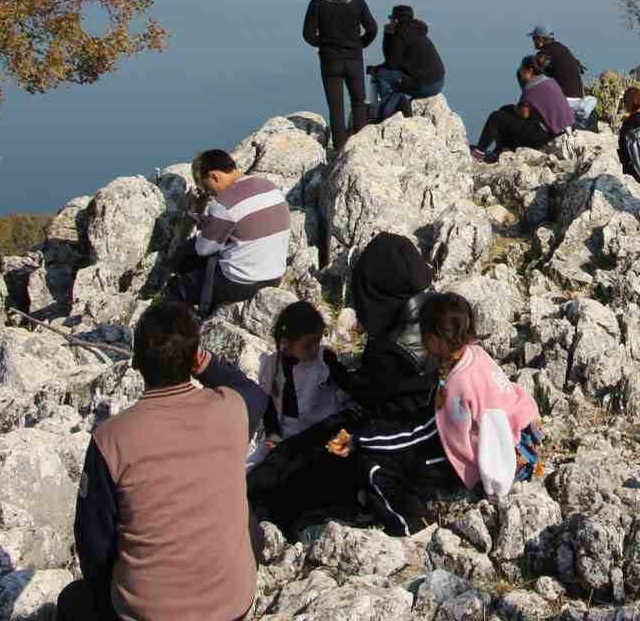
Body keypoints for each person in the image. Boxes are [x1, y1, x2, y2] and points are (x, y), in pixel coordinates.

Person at [59, 299, 266, 621]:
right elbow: (252, 391)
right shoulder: (232, 410)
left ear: (136, 361)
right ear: (195, 357)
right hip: (232, 609)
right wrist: (206, 363)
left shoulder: (111, 439)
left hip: (147, 614)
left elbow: (93, 545)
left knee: (73, 601)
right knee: (248, 521)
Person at [323, 233, 455, 536]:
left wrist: (334, 369)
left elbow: (370, 394)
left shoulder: (391, 350)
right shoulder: (437, 311)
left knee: (354, 453)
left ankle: (408, 522)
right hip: (442, 429)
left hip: (424, 445)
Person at [419, 291, 543, 494]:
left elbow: (456, 439)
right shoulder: (476, 353)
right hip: (528, 431)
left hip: (510, 459)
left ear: (434, 339)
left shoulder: (458, 385)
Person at [169, 150, 289, 316]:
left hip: (242, 283)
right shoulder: (269, 187)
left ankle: (191, 329)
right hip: (274, 276)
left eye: (207, 187)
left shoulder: (224, 203)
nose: (211, 194)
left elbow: (203, 249)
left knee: (177, 284)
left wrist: (205, 225)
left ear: (214, 176)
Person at [302, 0, 378, 152]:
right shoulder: (357, 0)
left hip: (330, 60)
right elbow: (372, 28)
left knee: (335, 105)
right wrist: (360, 44)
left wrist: (325, 43)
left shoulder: (317, 2)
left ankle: (340, 147)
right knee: (359, 101)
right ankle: (359, 147)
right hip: (354, 58)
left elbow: (308, 35)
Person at [256, 300, 351, 442]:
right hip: (288, 434)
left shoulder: (324, 359)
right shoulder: (271, 366)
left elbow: (348, 386)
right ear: (286, 343)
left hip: (325, 431)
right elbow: (268, 408)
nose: (315, 349)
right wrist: (272, 434)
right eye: (308, 345)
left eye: (317, 342)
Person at [470, 56, 573, 163]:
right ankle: (502, 150)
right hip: (559, 129)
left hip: (543, 135)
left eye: (522, 70)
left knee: (496, 117)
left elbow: (524, 114)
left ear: (530, 71)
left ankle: (479, 153)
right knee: (506, 110)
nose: (520, 73)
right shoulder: (549, 81)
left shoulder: (532, 86)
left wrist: (515, 108)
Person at [369, 5, 446, 120]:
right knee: (386, 73)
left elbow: (392, 62)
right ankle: (395, 100)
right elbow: (399, 61)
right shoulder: (417, 31)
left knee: (381, 76)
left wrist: (387, 34)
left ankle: (391, 109)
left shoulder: (400, 35)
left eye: (391, 19)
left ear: (396, 20)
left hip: (425, 85)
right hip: (438, 81)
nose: (390, 22)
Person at [528, 24, 585, 99]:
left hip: (565, 99)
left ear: (540, 39)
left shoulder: (545, 53)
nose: (533, 42)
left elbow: (532, 75)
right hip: (578, 96)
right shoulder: (562, 48)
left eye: (534, 38)